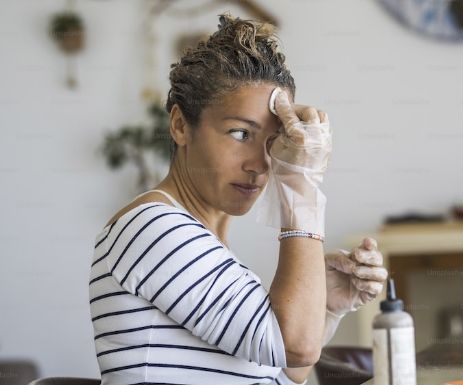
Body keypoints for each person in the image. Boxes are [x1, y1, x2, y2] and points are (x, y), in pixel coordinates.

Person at [89, 14, 387, 385]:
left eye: (272, 142)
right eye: (240, 133)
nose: (261, 163)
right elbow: (296, 346)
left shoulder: (202, 242)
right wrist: (300, 184)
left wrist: (324, 306)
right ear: (181, 125)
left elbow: (285, 370)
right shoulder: (153, 228)